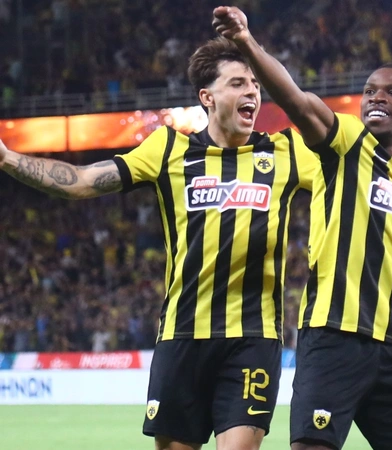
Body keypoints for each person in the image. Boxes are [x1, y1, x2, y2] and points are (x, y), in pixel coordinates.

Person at [1, 37, 318, 450]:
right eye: (238, 83)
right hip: (181, 335)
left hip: (253, 338)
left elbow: (354, 173)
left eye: (256, 84)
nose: (253, 92)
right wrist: (6, 158)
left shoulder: (287, 151)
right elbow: (81, 182)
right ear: (207, 97)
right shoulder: (169, 148)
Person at [214, 6, 392, 450]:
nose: (375, 98)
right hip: (334, 336)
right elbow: (297, 101)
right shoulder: (348, 143)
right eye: (369, 91)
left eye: (391, 92)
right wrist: (245, 42)